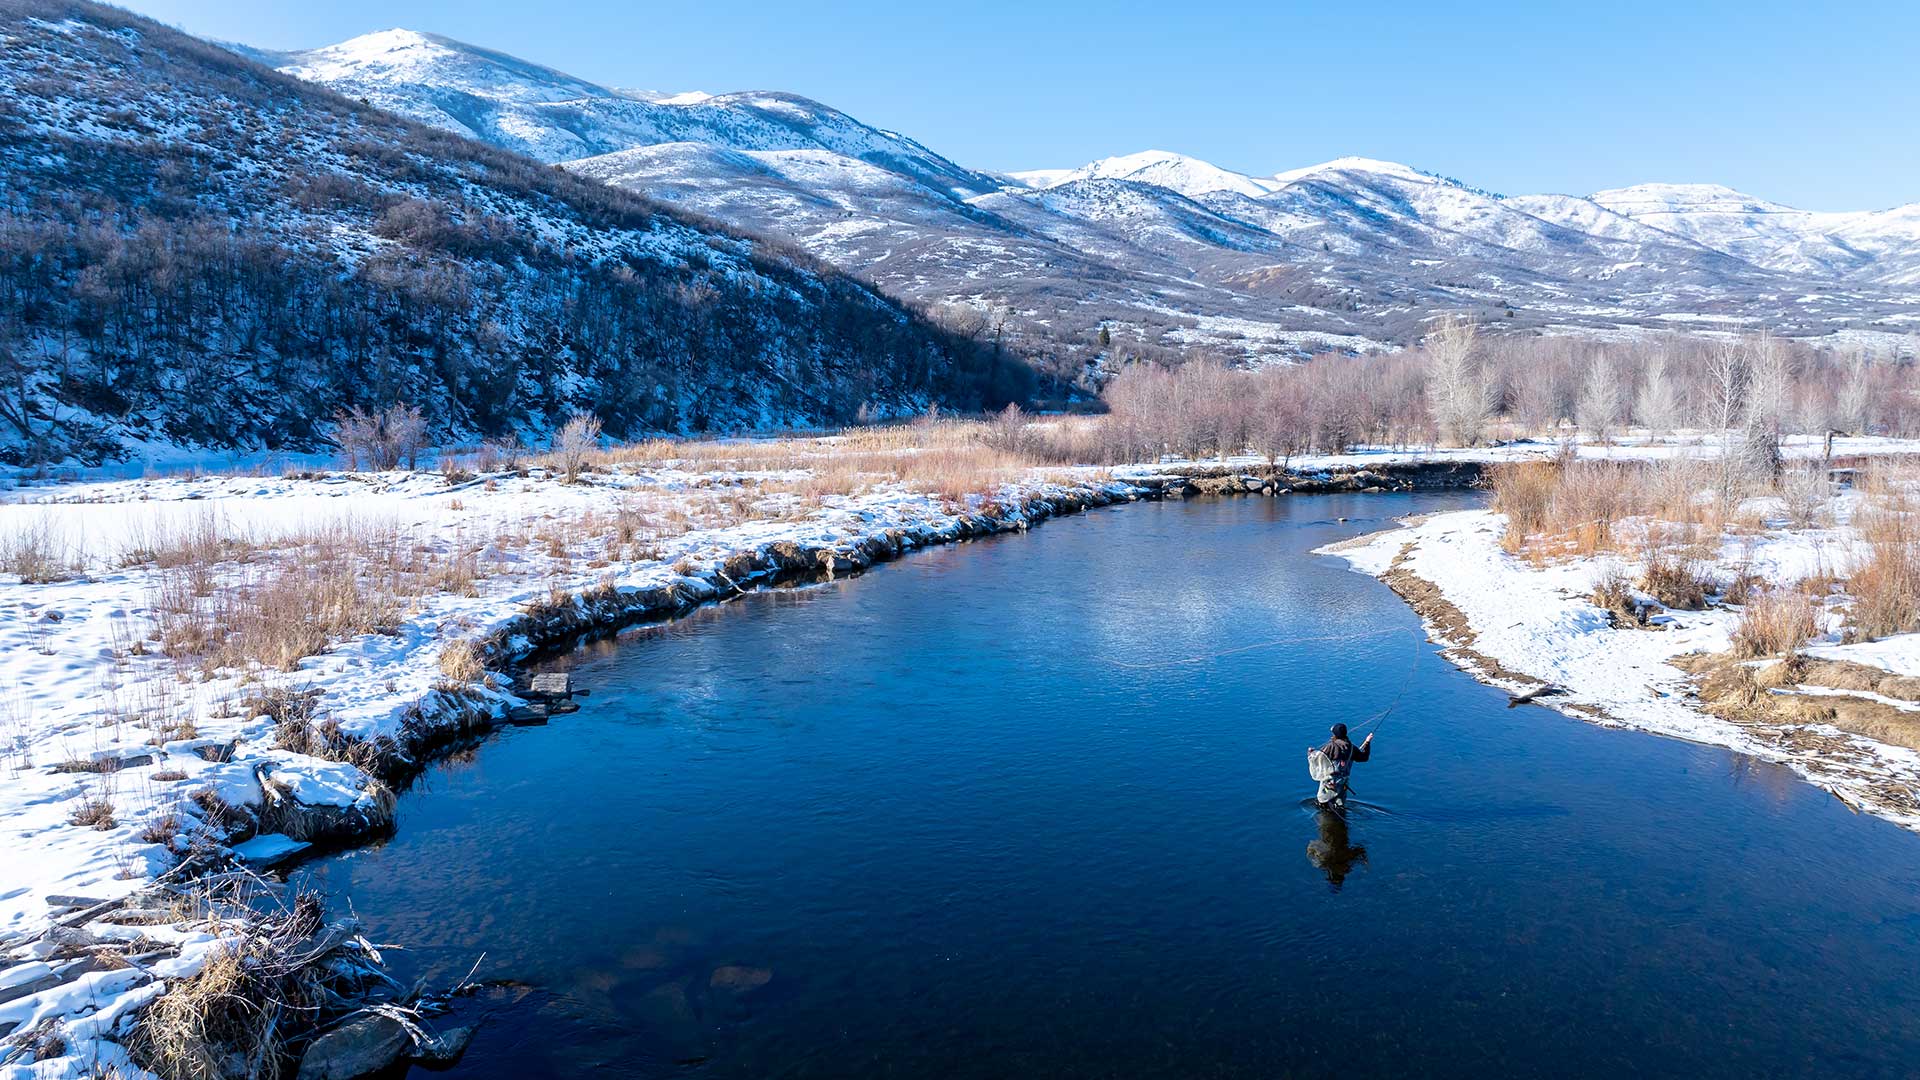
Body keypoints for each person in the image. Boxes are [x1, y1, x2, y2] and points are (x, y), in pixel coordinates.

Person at [1311, 722, 1371, 809]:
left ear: (1335, 734)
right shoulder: (1351, 748)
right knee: (1340, 806)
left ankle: (1327, 818)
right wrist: (1367, 742)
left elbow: (1317, 759)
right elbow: (1364, 758)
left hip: (1330, 782)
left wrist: (1311, 753)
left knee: (1322, 803)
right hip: (1343, 782)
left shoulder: (1330, 746)